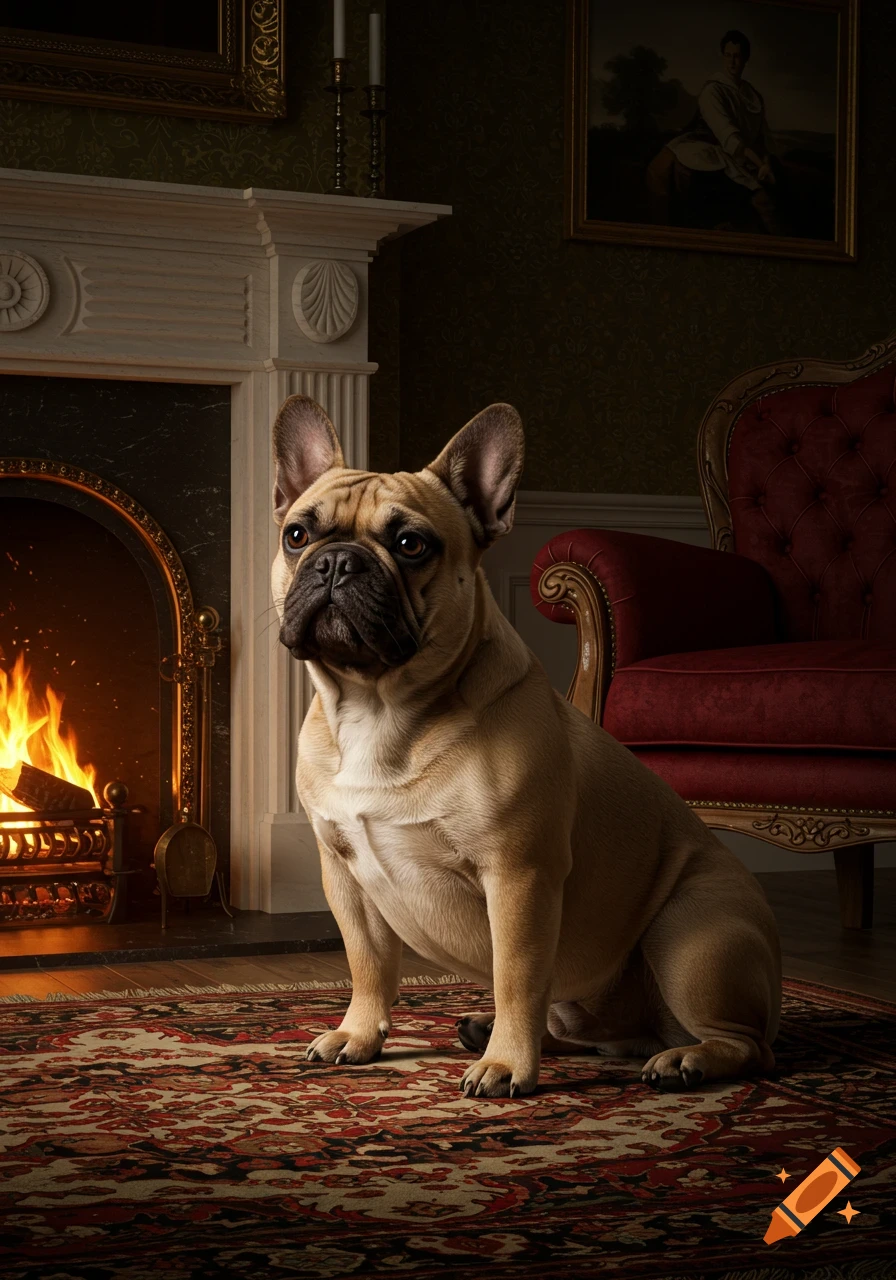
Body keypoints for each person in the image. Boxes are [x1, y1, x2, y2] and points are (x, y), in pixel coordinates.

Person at [646, 29, 781, 232]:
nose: (732, 62)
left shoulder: (754, 96)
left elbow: (761, 138)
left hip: (746, 155)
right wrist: (758, 164)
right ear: (722, 56)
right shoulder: (713, 90)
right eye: (728, 55)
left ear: (746, 58)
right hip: (716, 147)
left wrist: (766, 164)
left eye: (737, 56)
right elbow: (730, 137)